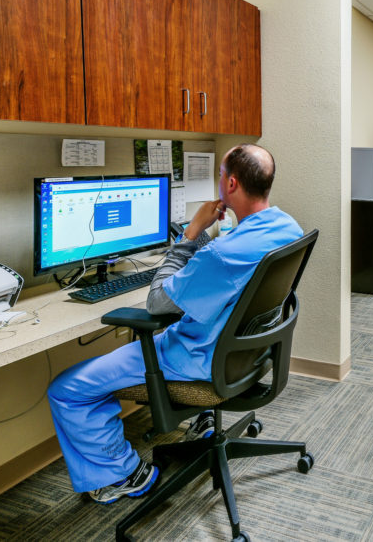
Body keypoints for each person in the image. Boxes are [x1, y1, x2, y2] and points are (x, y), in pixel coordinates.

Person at [47, 144, 303, 503]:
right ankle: (200, 421)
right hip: (249, 355)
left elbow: (157, 302)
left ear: (230, 184)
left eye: (220, 175)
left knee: (67, 390)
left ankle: (123, 473)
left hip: (198, 360)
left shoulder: (222, 254)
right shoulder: (288, 227)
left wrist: (191, 232)